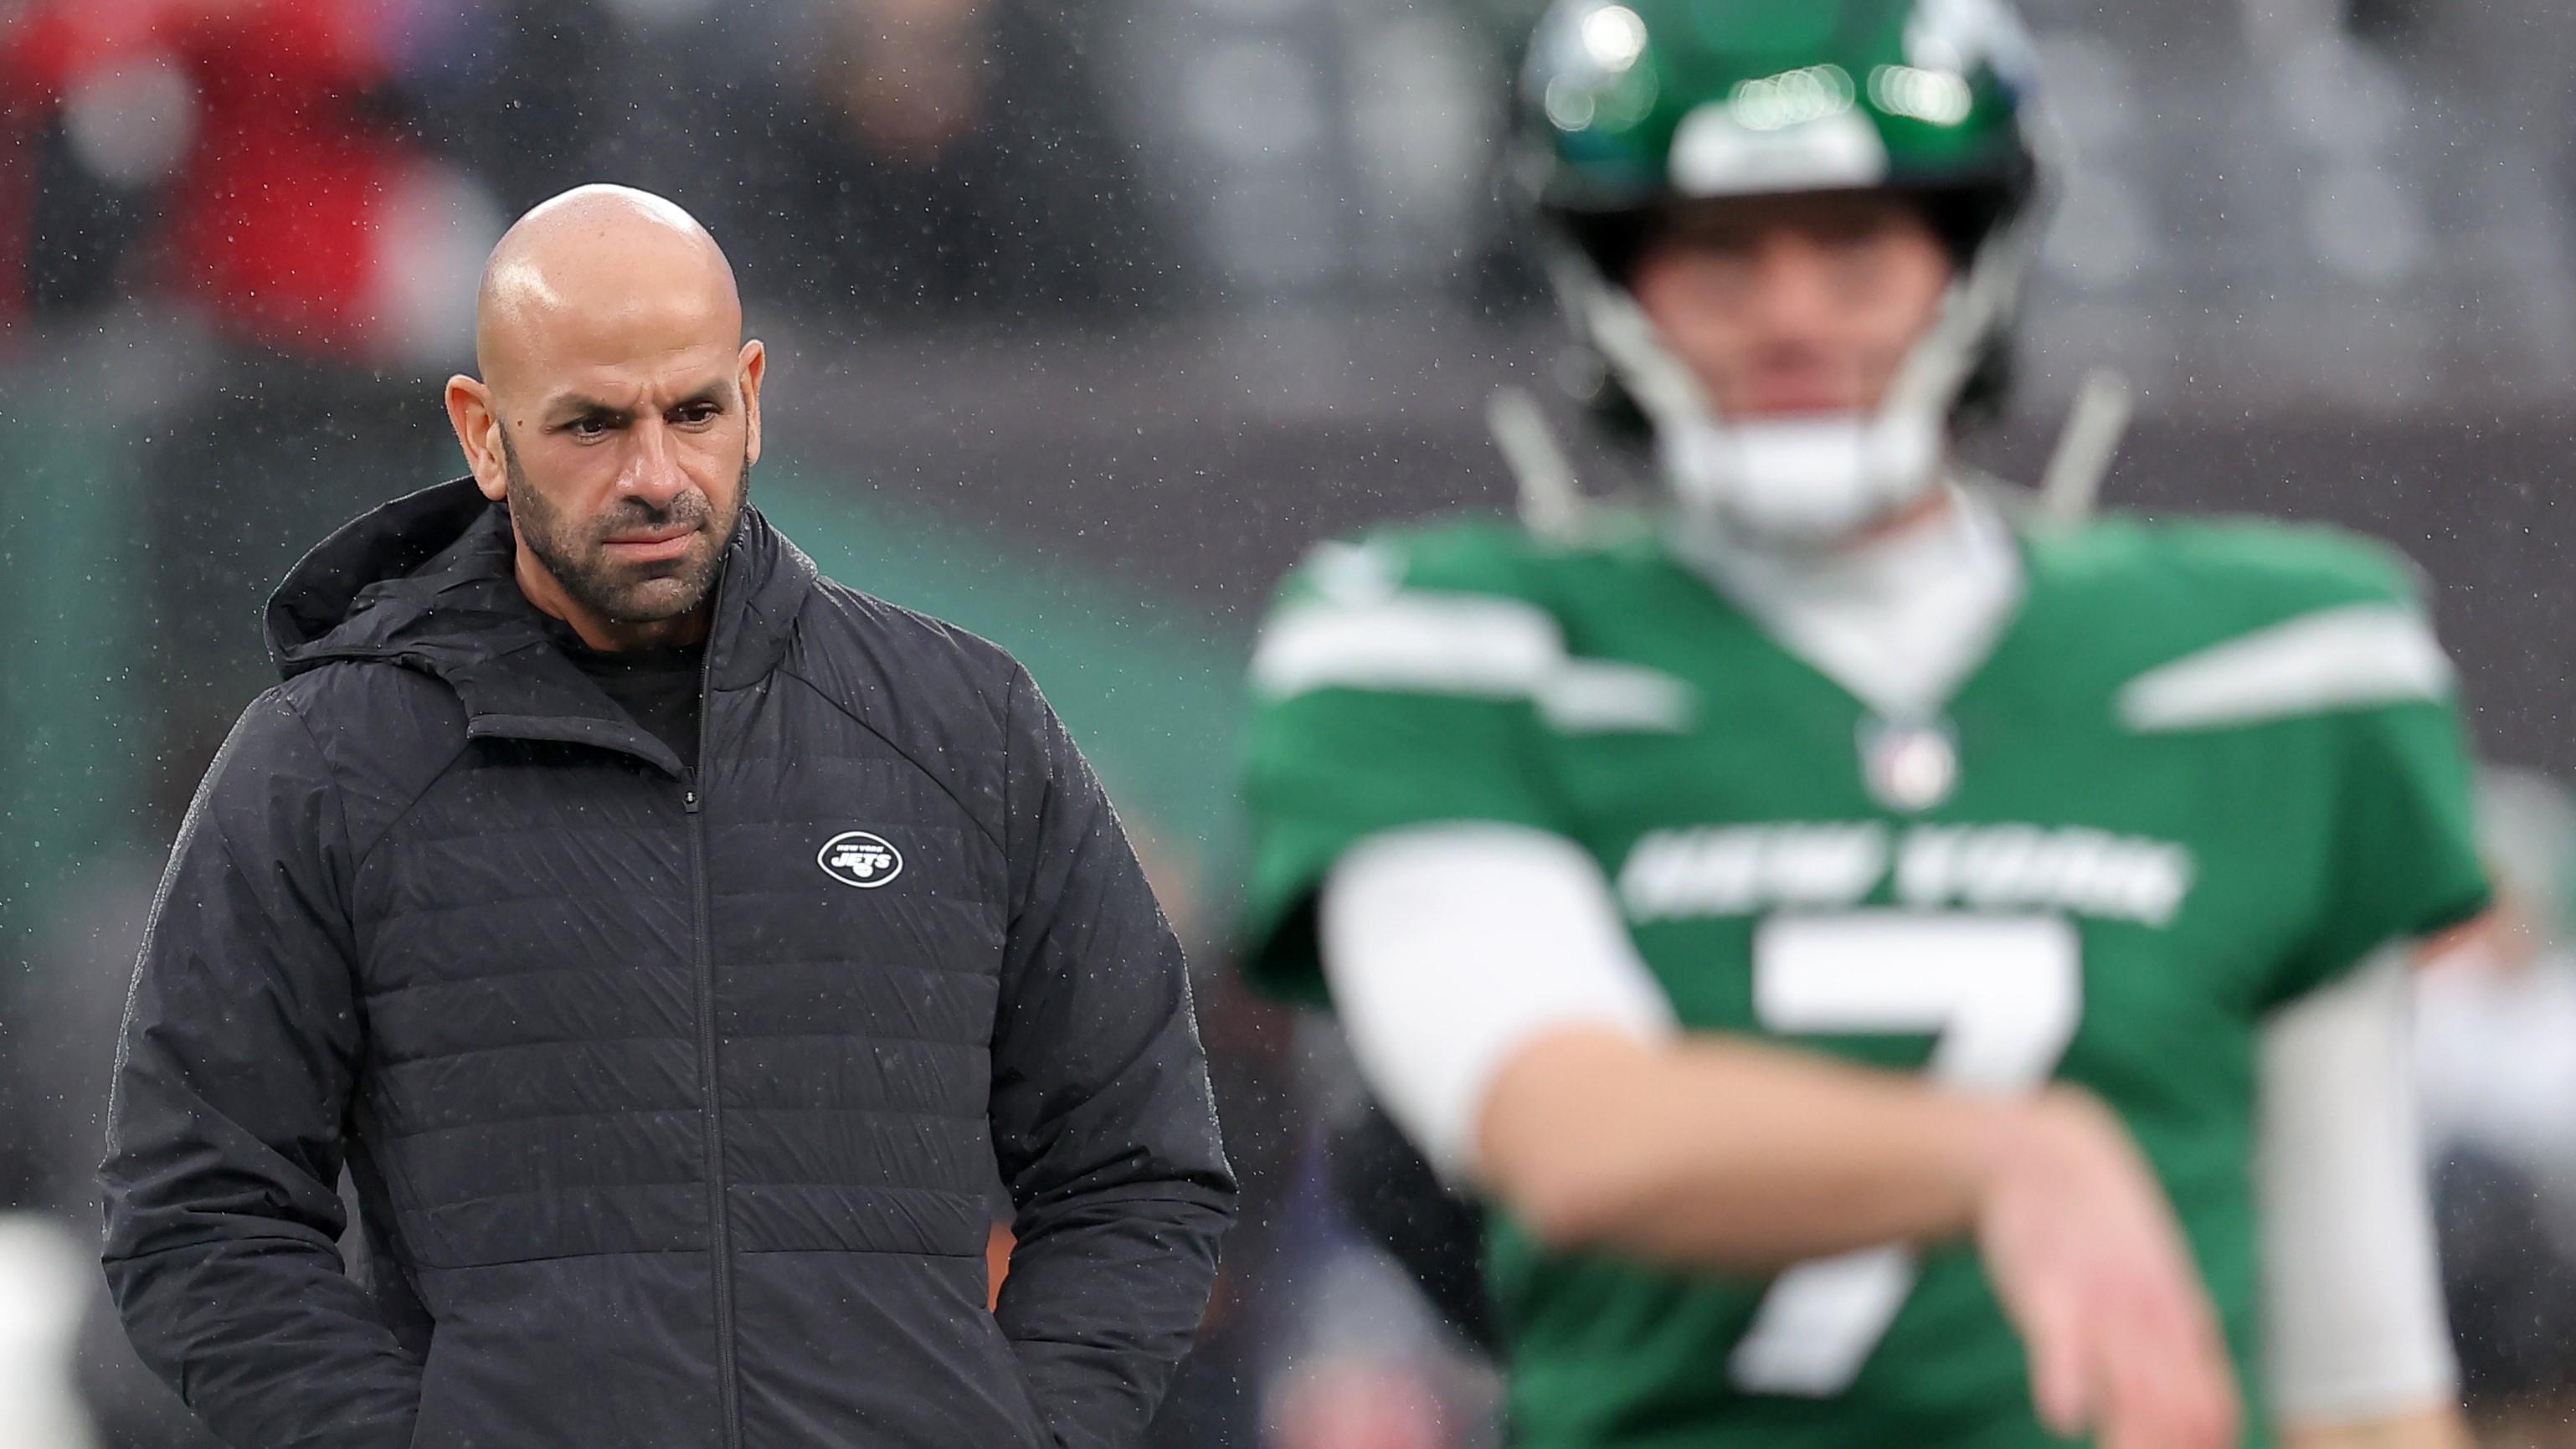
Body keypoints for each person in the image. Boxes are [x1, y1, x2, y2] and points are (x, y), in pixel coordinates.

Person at [1232, 3, 2483, 1447]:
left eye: (1852, 246)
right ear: (1607, 274)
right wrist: (2009, 1157)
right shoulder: (1451, 644)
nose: (1789, 314)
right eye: (1717, 251)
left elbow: (2356, 1363)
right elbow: (1570, 1134)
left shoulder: (2267, 666)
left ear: (1966, 257)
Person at [99, 184, 1236, 1449]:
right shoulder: (325, 764)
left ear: (751, 395)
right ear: (483, 434)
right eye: (589, 424)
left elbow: (1138, 1172)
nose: (654, 473)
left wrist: (1027, 1430)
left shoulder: (965, 726)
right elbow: (198, 1210)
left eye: (692, 412)